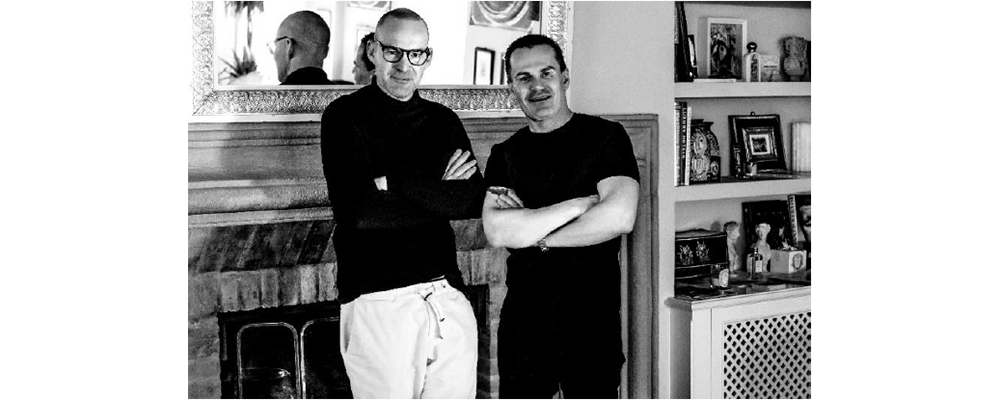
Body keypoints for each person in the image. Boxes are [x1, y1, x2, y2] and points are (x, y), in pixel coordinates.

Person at [320, 8, 485, 399]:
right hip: (377, 298)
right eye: (392, 51)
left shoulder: (443, 121)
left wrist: (393, 183)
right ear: (373, 51)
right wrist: (438, 191)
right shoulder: (344, 117)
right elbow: (358, 213)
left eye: (415, 54)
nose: (404, 65)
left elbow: (470, 200)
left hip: (446, 294)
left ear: (427, 57)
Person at [482, 34, 640, 399]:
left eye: (546, 73)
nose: (536, 86)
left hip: (592, 322)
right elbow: (498, 231)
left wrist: (535, 234)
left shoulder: (606, 137)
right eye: (524, 77)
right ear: (511, 87)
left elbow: (619, 217)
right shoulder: (505, 154)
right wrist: (578, 206)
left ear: (564, 78)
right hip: (524, 325)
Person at [269, 10, 334, 85]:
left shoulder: (273, 93)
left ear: (289, 46)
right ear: (326, 51)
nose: (274, 54)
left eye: (276, 44)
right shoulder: (341, 91)